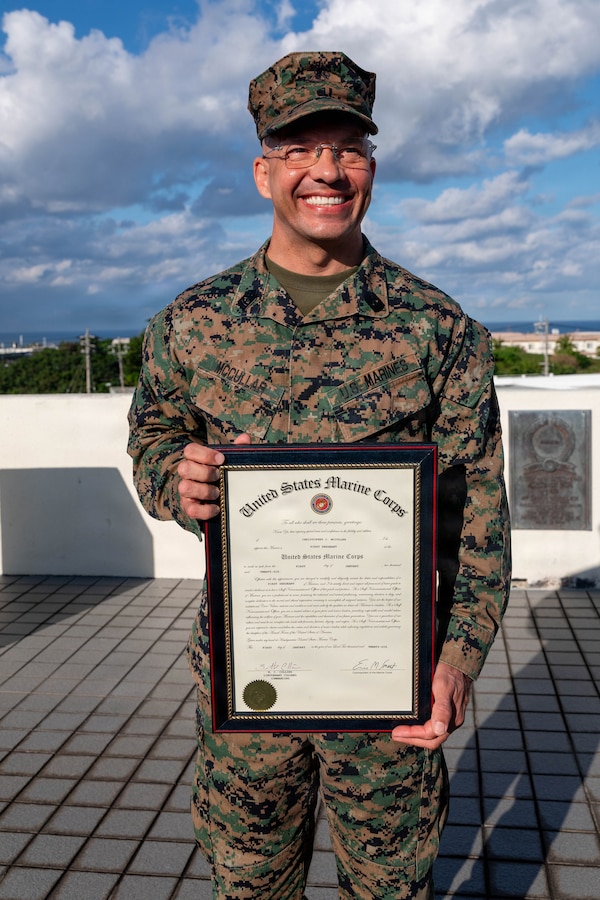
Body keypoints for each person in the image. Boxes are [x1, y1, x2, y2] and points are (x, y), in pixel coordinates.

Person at [128, 51, 511, 900]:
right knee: (251, 890)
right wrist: (173, 481)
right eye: (301, 148)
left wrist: (456, 660)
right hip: (248, 688)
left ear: (371, 166)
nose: (328, 171)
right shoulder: (192, 325)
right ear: (264, 169)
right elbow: (154, 434)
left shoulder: (438, 330)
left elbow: (477, 511)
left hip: (392, 693)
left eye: (350, 147)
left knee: (390, 891)